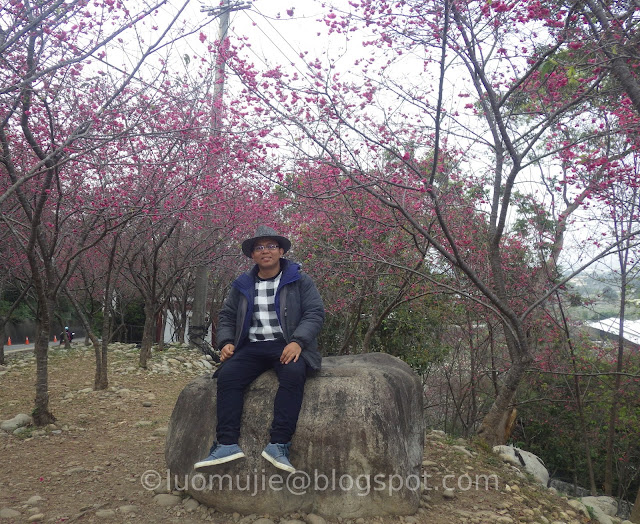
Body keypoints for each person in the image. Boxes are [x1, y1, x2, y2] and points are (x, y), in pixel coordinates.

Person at [194, 225, 325, 474]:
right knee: (228, 376)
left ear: (281, 251)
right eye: (259, 247)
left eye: (271, 246)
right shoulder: (243, 284)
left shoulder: (299, 280)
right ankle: (227, 443)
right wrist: (226, 342)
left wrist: (298, 341)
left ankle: (279, 444)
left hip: (285, 343)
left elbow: (315, 313)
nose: (266, 251)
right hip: (252, 346)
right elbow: (227, 316)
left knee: (294, 374)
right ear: (252, 255)